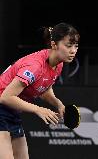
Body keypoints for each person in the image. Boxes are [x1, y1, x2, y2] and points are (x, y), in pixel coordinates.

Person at [0, 22, 79, 158]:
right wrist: (38, 109)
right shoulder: (34, 66)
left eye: (76, 46)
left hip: (13, 112)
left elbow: (43, 88)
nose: (73, 50)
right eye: (68, 46)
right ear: (54, 45)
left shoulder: (58, 64)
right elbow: (5, 97)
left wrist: (57, 103)